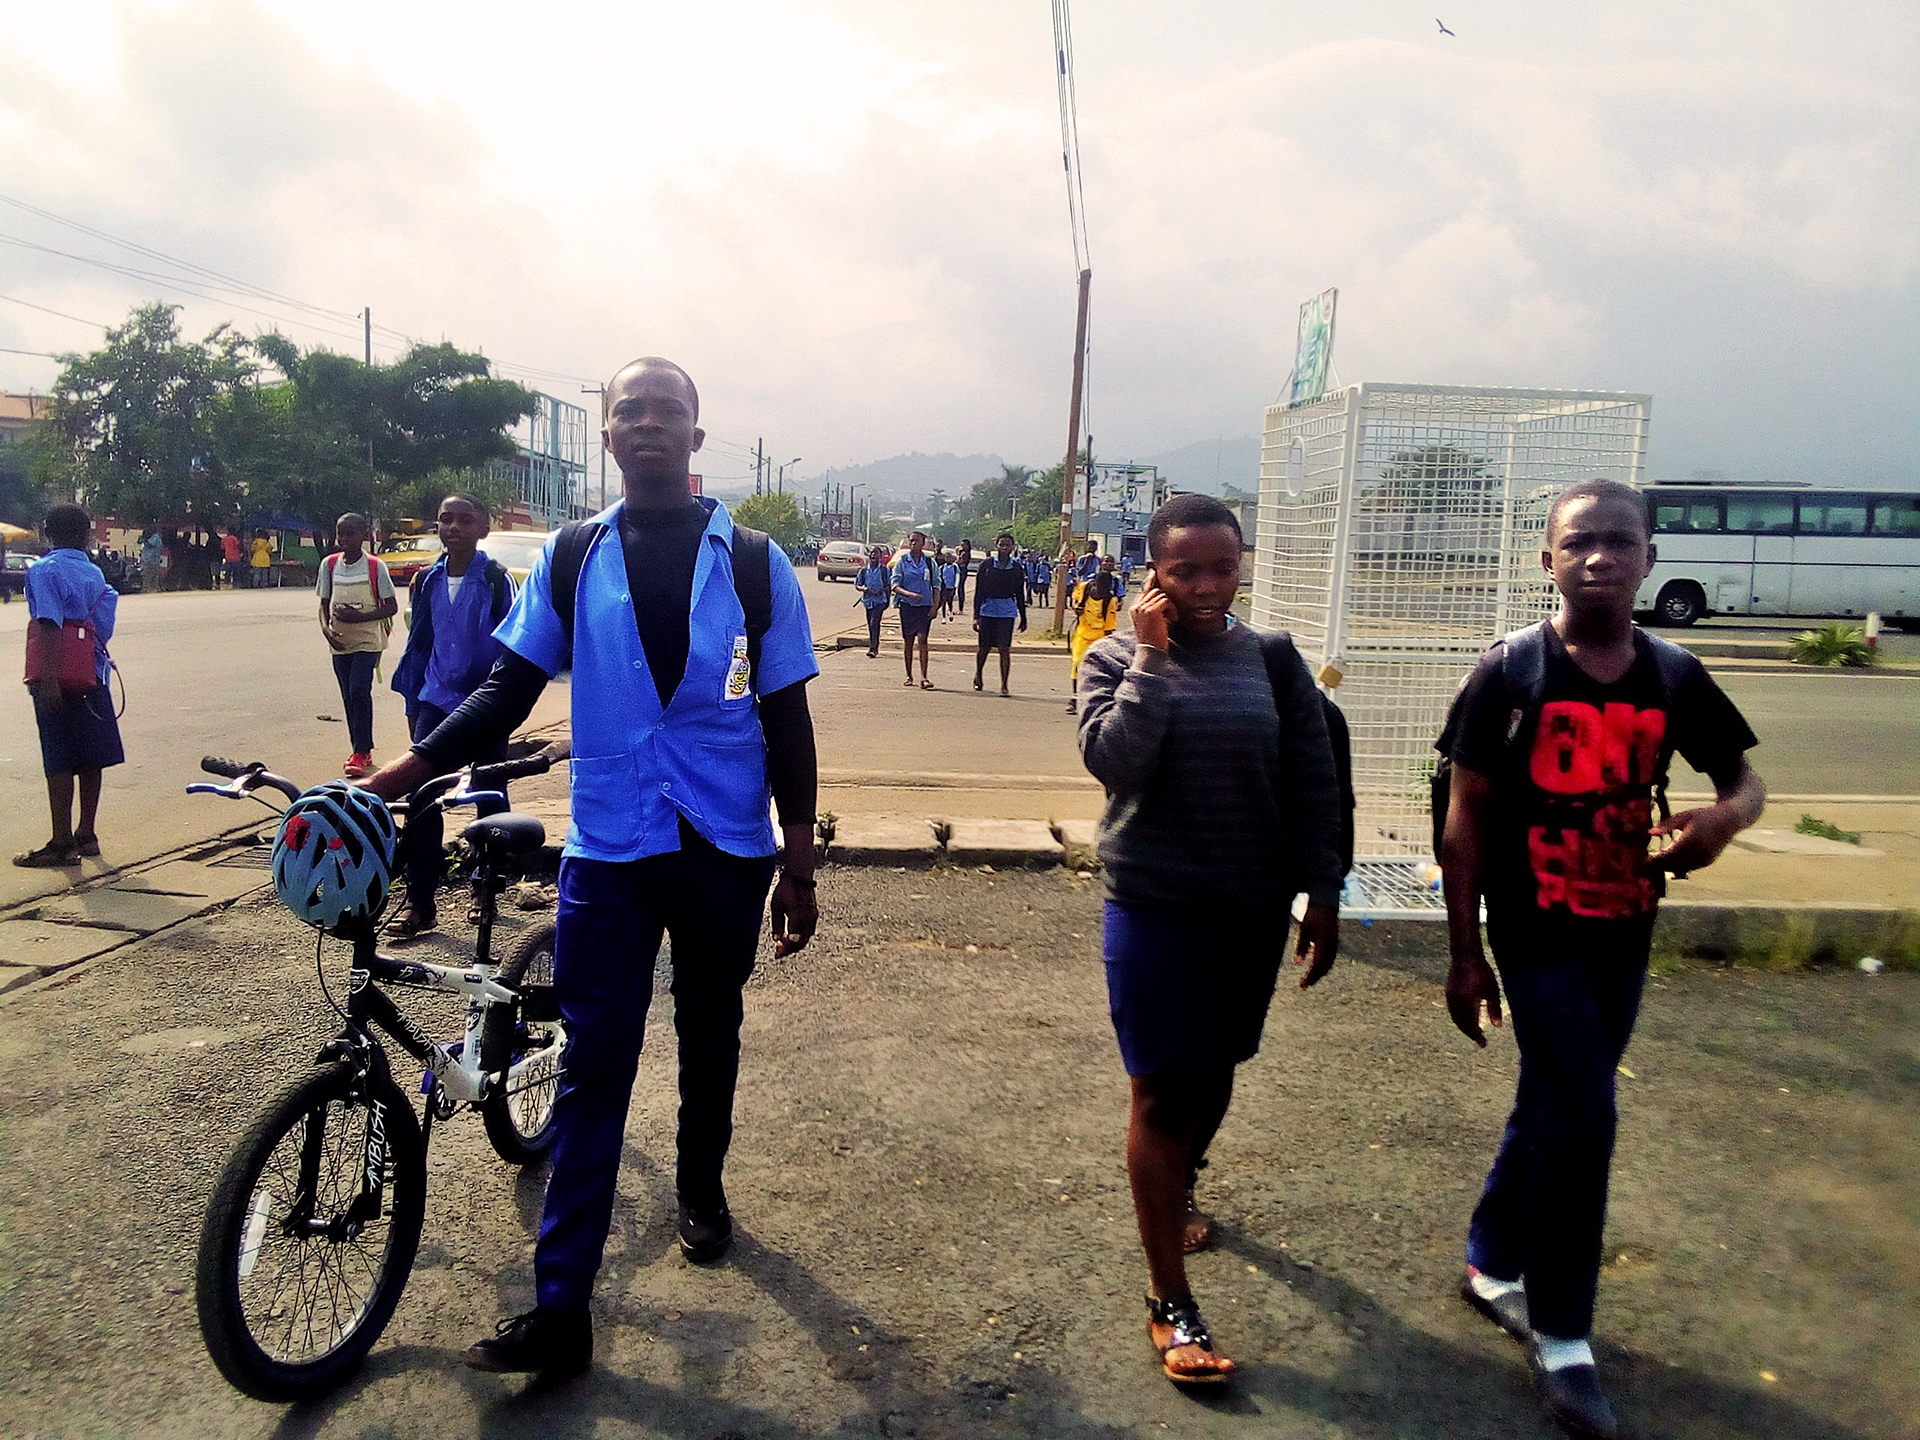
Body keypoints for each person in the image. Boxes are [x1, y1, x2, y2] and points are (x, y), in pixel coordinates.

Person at [360, 356, 820, 1379]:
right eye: (630, 412)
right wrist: (403, 774)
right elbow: (505, 689)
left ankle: (700, 1185)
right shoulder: (572, 558)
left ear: (697, 437)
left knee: (711, 1026)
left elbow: (787, 716)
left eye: (670, 412)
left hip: (723, 849)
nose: (649, 426)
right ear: (606, 436)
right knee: (593, 1061)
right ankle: (560, 1306)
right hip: (611, 849)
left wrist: (800, 856)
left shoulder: (754, 562)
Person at [1438, 478, 1766, 1440]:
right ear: (1548, 560)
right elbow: (1464, 826)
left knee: (1556, 1098)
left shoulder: (1674, 675)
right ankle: (1566, 1335)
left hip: (1624, 922)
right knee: (1585, 1110)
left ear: (1647, 560)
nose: (1599, 558)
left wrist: (1720, 823)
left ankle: (1490, 1259)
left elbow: (1744, 779)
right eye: (1579, 543)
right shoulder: (1509, 672)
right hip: (1532, 923)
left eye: (1620, 543)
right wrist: (1466, 956)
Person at [1076, 492, 1343, 1388]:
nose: (1204, 585)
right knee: (1159, 1091)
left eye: (1221, 567)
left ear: (1242, 565)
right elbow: (1115, 762)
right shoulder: (1112, 655)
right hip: (1153, 904)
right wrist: (1150, 658)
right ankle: (1169, 1299)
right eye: (1183, 568)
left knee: (1219, 1072)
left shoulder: (1270, 657)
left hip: (1251, 906)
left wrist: (1324, 893)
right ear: (1151, 568)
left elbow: (1311, 777)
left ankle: (1181, 1183)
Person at [386, 493, 518, 937]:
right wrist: (413, 702)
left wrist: (503, 707)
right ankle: (420, 902)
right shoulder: (425, 580)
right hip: (435, 700)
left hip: (485, 705)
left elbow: (513, 649)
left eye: (465, 520)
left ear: (484, 528)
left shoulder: (498, 581)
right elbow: (418, 645)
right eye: (446, 520)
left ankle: (485, 889)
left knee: (488, 793)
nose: (454, 527)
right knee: (421, 801)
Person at [16, 503, 124, 867]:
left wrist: (48, 682)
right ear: (86, 534)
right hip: (93, 672)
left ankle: (61, 842)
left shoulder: (44, 570)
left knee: (59, 756)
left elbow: (48, 623)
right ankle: (87, 833)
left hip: (57, 673)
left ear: (48, 531)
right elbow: (102, 626)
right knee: (91, 755)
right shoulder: (94, 573)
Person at [316, 513, 397, 779]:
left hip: (368, 640)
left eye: (350, 533)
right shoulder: (329, 566)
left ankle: (362, 751)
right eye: (341, 534)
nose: (344, 539)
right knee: (348, 696)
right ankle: (358, 750)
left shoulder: (375, 567)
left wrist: (359, 616)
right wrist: (326, 630)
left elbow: (391, 606)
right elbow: (323, 604)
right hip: (340, 641)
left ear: (363, 534)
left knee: (359, 689)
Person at [971, 530, 1028, 696]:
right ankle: (979, 674)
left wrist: (1023, 617)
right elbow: (979, 592)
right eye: (1001, 544)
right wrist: (976, 616)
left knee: (1004, 648)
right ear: (996, 546)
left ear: (1012, 547)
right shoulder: (987, 565)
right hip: (987, 610)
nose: (1004, 547)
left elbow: (1020, 593)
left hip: (1007, 611)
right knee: (984, 648)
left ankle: (1004, 684)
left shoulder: (1016, 568)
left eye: (1008, 545)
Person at [1064, 555, 1119, 714]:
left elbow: (1109, 627)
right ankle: (1075, 699)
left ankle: (1094, 699)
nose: (1100, 593)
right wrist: (1076, 608)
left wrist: (1109, 647)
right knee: (1077, 665)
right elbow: (1074, 601)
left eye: (1104, 590)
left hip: (1099, 636)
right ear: (1094, 583)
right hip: (1082, 633)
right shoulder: (1084, 588)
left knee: (1097, 669)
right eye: (1099, 588)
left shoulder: (1110, 601)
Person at [892, 530, 936, 689]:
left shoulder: (930, 563)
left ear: (923, 543)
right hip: (907, 606)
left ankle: (924, 676)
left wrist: (935, 606)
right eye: (911, 541)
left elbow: (936, 585)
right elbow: (895, 584)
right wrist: (909, 594)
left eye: (917, 541)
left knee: (923, 638)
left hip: (924, 606)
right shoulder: (903, 561)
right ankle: (909, 675)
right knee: (908, 640)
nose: (914, 544)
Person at [855, 545, 892, 657]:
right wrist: (865, 589)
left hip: (880, 600)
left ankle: (873, 648)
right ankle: (874, 644)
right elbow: (857, 585)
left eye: (875, 553)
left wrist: (881, 591)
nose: (873, 555)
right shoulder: (864, 570)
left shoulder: (885, 570)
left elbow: (890, 585)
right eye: (871, 553)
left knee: (874, 622)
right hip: (868, 600)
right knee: (870, 624)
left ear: (880, 556)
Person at [139, 529, 164, 594]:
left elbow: (149, 545)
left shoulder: (155, 537)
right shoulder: (153, 538)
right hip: (151, 561)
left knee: (147, 575)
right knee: (154, 576)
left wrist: (144, 539)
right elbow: (138, 542)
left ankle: (146, 589)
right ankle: (154, 589)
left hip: (151, 561)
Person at [938, 553, 959, 622]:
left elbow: (957, 576)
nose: (948, 559)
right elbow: (938, 577)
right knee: (943, 601)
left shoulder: (955, 567)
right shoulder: (942, 567)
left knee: (950, 600)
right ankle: (943, 617)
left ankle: (950, 612)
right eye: (947, 558)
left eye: (949, 558)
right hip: (944, 587)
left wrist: (956, 585)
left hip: (951, 586)